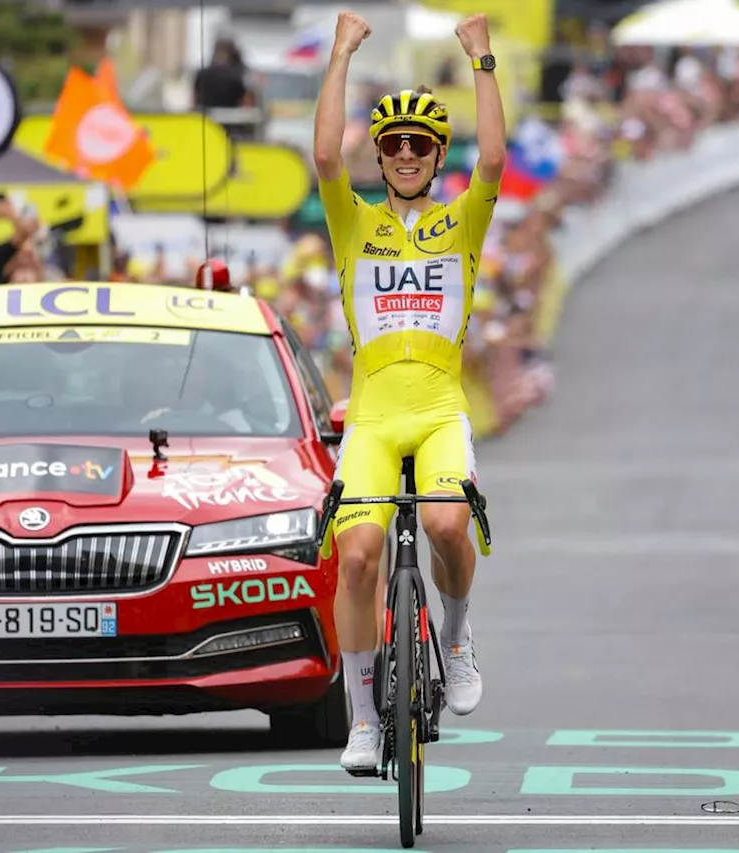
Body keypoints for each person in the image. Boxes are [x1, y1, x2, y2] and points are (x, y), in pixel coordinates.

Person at [311, 10, 506, 773]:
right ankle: (362, 718)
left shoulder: (460, 224)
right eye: (392, 144)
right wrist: (341, 54)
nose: (402, 154)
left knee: (449, 524)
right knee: (357, 556)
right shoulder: (354, 225)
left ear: (434, 155)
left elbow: (495, 156)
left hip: (437, 413)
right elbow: (325, 153)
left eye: (417, 144)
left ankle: (456, 638)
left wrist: (482, 58)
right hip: (371, 416)